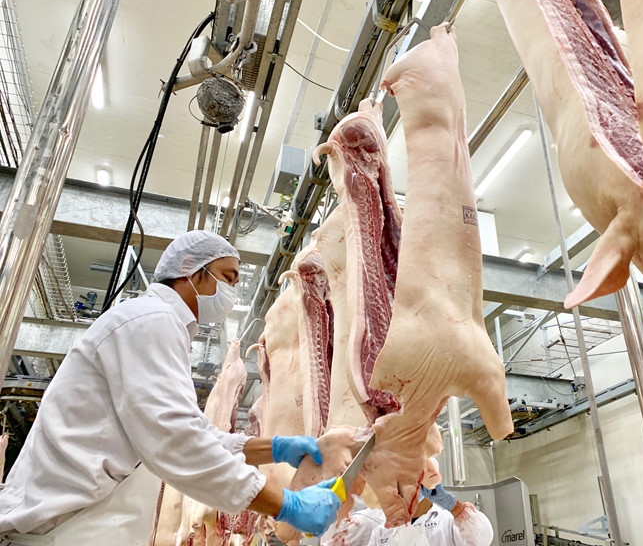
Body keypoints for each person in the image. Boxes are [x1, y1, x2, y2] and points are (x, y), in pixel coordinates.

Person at [0, 230, 341, 545]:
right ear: (192, 270)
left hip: (76, 525)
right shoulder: (152, 320)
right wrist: (286, 505)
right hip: (62, 527)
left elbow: (197, 436)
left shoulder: (157, 322)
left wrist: (275, 449)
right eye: (227, 278)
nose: (231, 292)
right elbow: (176, 438)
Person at [367, 483, 494, 546]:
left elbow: (483, 539)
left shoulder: (447, 522)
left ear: (429, 486)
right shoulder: (383, 531)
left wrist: (454, 506)